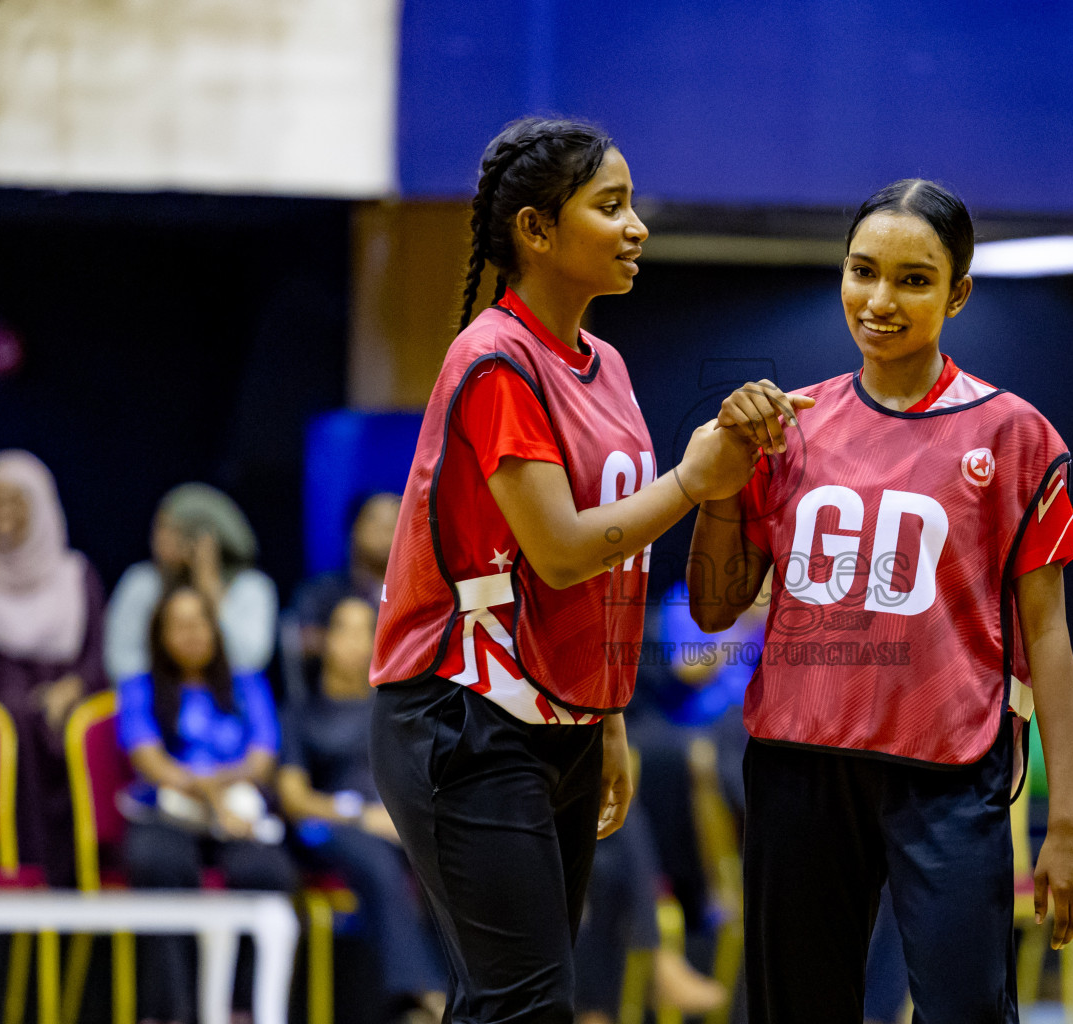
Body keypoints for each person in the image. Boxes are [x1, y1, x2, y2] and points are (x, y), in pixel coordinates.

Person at [368, 116, 770, 1024]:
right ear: (536, 231)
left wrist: (608, 712)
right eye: (611, 206)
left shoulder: (610, 366)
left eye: (634, 207)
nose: (638, 228)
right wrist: (691, 482)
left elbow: (611, 574)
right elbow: (558, 551)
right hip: (459, 715)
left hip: (566, 718)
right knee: (530, 1002)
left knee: (511, 999)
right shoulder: (493, 361)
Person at [689, 179, 1073, 1023]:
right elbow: (710, 610)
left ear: (957, 293)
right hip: (798, 765)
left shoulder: (1013, 434)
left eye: (913, 279)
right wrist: (722, 481)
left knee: (965, 1010)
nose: (880, 300)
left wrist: (1069, 820)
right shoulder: (787, 424)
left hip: (949, 775)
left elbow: (1049, 634)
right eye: (862, 271)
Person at [117, 583, 297, 1024]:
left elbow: (262, 759)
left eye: (199, 623)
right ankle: (173, 1009)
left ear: (215, 630)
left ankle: (243, 1007)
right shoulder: (140, 688)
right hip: (167, 810)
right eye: (177, 625)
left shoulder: (247, 684)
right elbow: (151, 762)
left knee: (266, 870)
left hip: (238, 810)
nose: (191, 634)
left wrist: (219, 793)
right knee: (155, 862)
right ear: (159, 635)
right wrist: (212, 795)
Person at [276, 596, 446, 1024]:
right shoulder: (301, 713)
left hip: (393, 827)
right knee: (375, 859)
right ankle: (426, 994)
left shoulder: (392, 710)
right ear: (325, 640)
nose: (353, 642)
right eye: (343, 630)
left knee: (451, 851)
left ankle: (469, 990)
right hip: (328, 828)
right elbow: (294, 799)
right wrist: (359, 814)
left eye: (364, 632)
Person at [0, 449, 106, 886]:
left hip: (62, 709)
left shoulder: (75, 577)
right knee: (9, 722)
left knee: (54, 727)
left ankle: (62, 880)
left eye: (15, 501)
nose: (3, 513)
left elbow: (97, 658)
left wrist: (73, 686)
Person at [105, 483, 277, 683]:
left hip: (226, 701)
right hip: (158, 700)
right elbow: (120, 662)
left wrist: (210, 588)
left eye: (170, 530)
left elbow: (250, 660)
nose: (157, 539)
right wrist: (177, 680)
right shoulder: (143, 583)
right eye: (158, 528)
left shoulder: (251, 586)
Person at [290, 491, 400, 657]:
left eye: (395, 523)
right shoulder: (321, 591)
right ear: (354, 528)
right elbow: (301, 640)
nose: (385, 530)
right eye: (374, 520)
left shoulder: (420, 597)